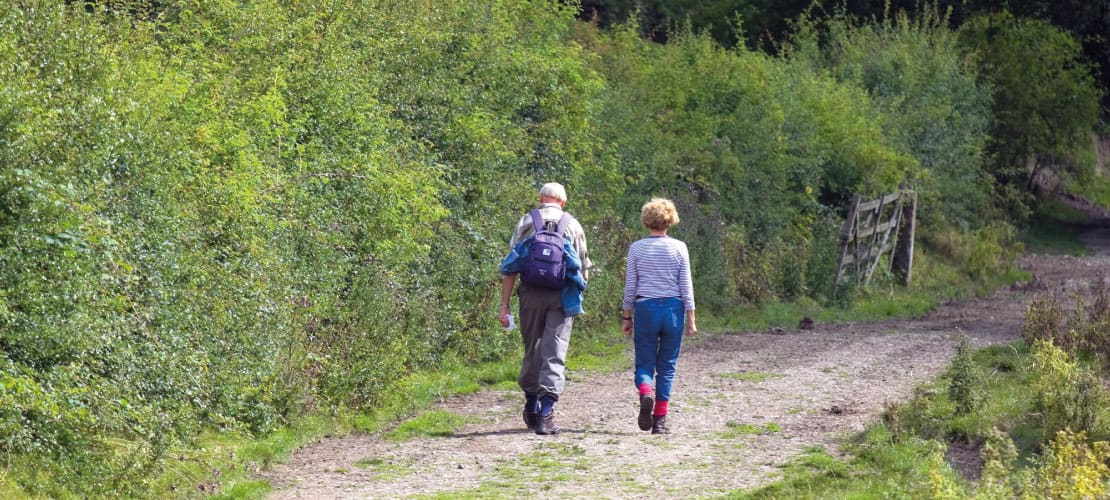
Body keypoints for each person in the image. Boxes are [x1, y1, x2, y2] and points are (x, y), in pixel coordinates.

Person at [499, 182, 590, 435]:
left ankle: (531, 406)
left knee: (533, 348)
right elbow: (583, 270)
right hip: (562, 296)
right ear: (563, 201)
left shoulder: (527, 221)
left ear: (541, 198)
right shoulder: (572, 225)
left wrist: (504, 305)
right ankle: (547, 412)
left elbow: (510, 267)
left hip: (530, 294)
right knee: (555, 350)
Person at [621, 197, 696, 435]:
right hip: (674, 309)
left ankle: (645, 391)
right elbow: (686, 285)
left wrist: (626, 316)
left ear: (647, 220)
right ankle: (660, 421)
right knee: (667, 366)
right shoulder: (679, 247)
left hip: (646, 308)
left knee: (645, 362)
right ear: (670, 220)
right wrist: (691, 317)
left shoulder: (637, 248)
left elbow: (630, 286)